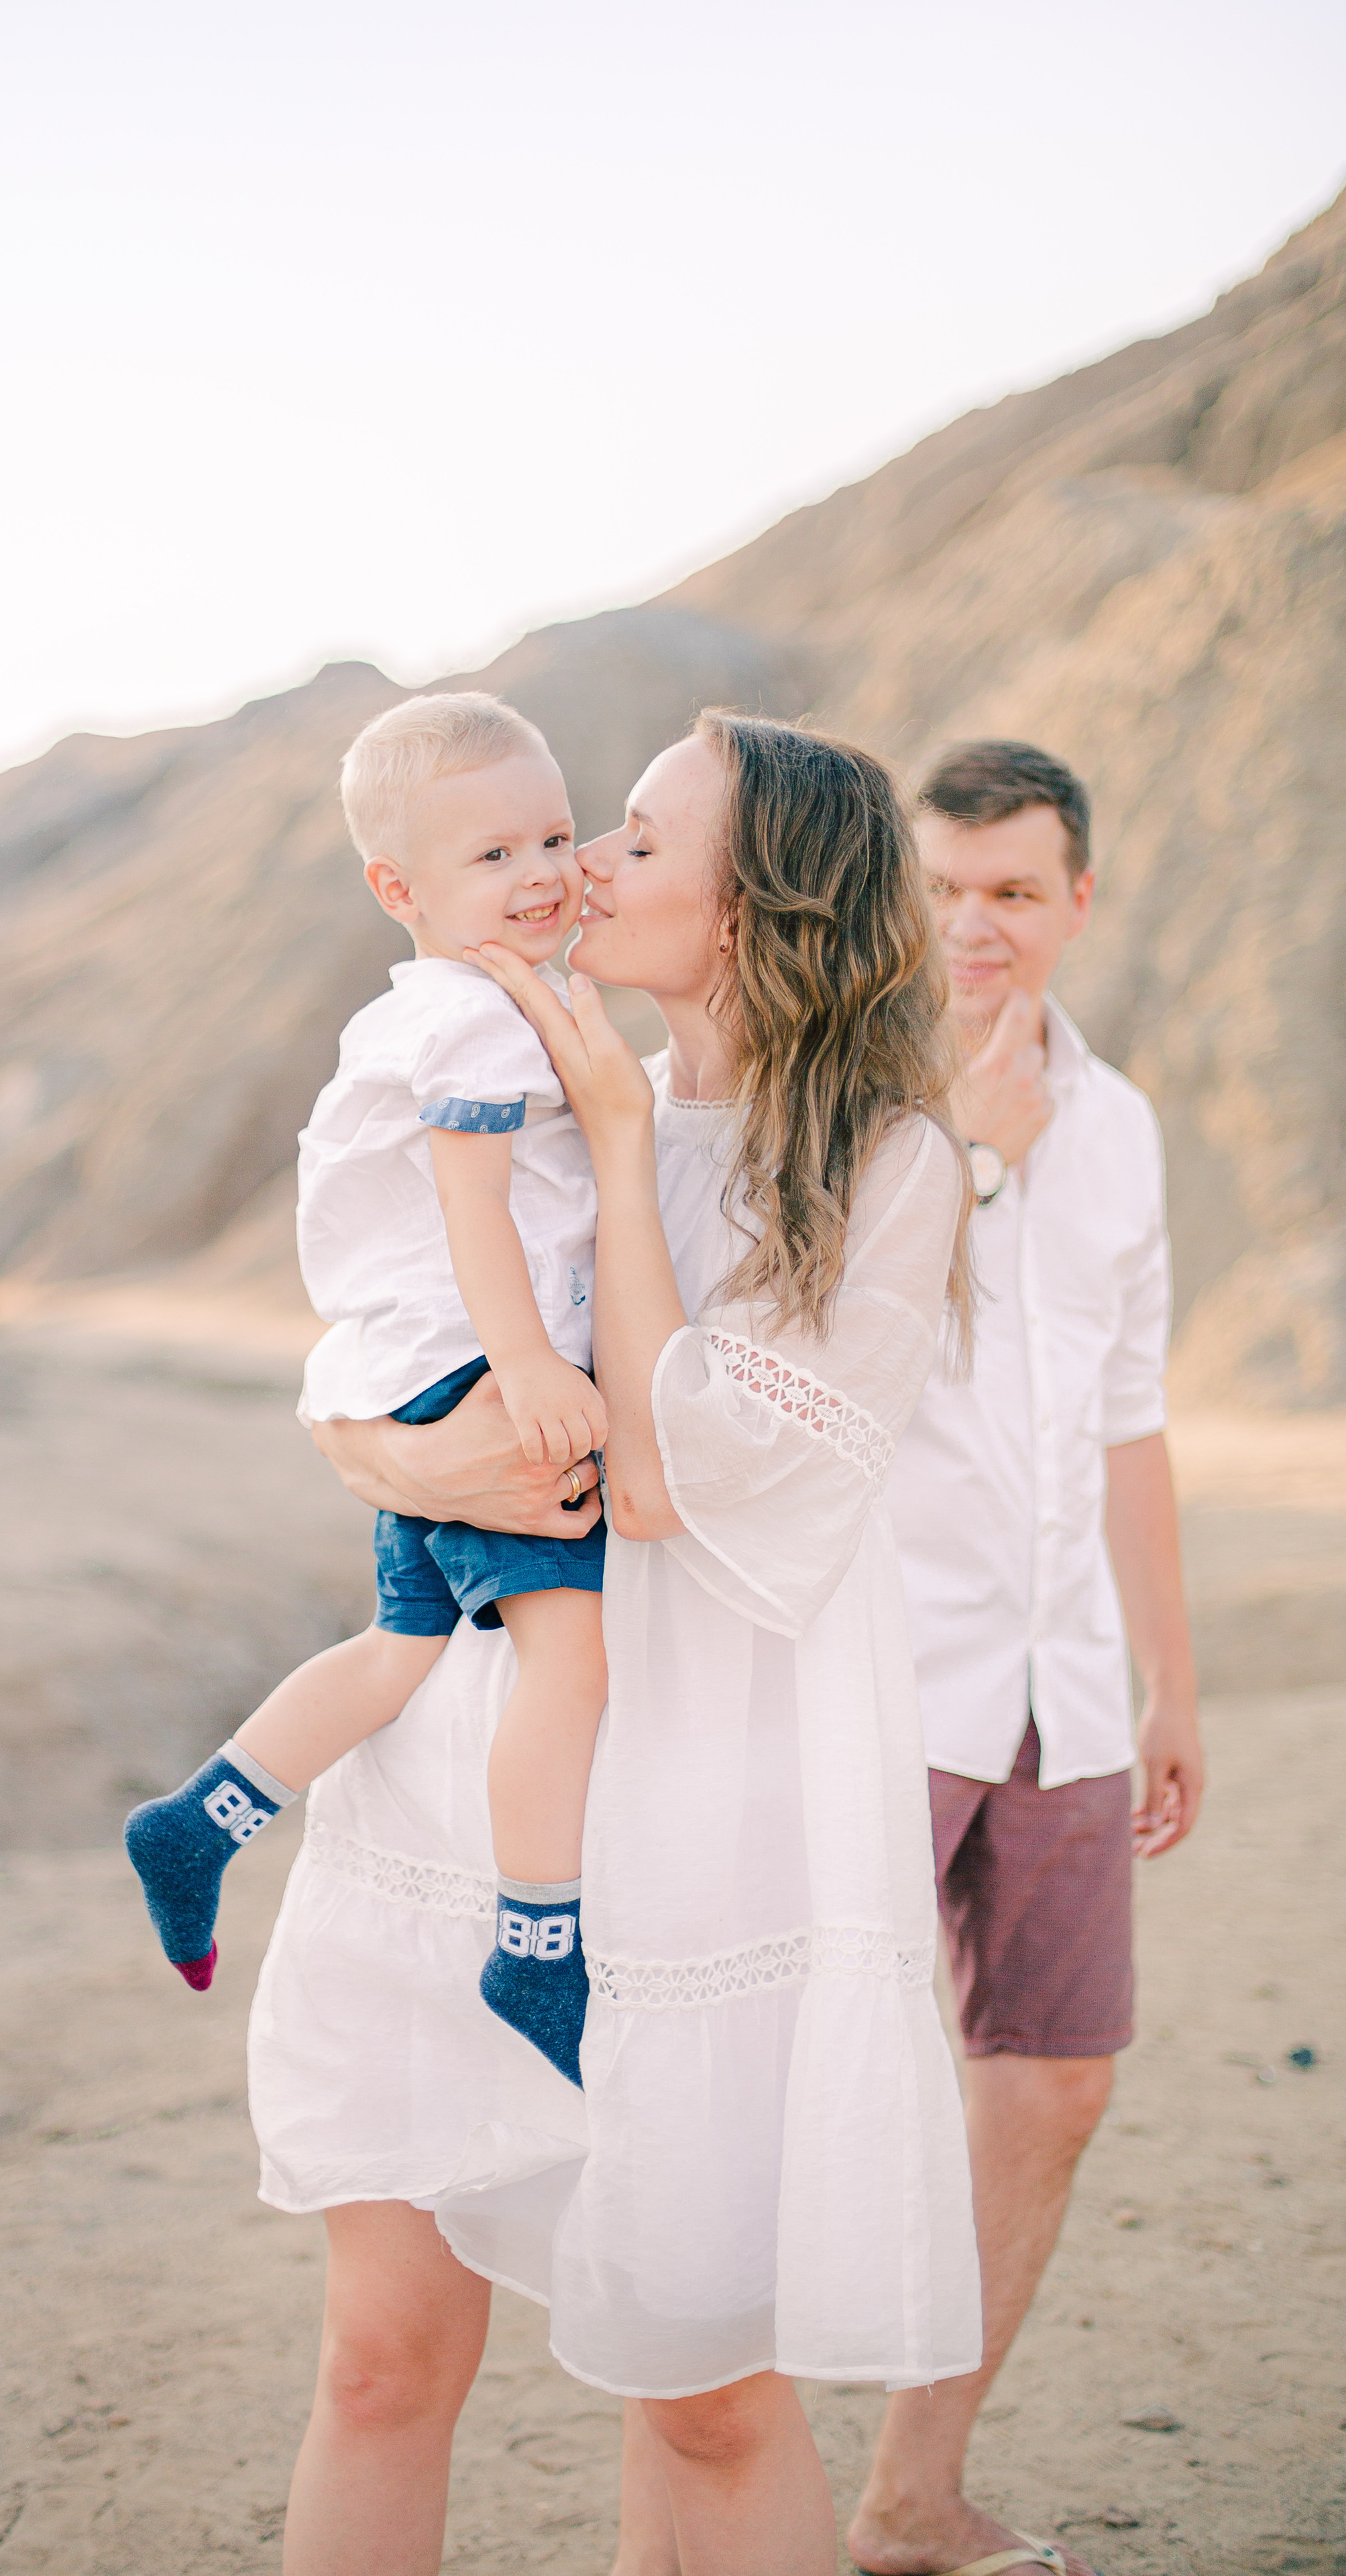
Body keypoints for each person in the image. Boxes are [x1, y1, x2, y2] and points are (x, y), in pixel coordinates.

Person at [249, 714, 985, 2576]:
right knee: (379, 2363)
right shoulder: (523, 1084)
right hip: (467, 1780)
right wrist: (392, 1443)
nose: (580, 870)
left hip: (705, 1829)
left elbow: (658, 1479)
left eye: (635, 841)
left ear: (755, 909)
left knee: (707, 2402)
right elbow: (361, 1374)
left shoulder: (882, 1169)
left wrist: (623, 1143)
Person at [125, 692, 610, 2080]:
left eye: (552, 838)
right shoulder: (476, 1022)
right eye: (490, 858)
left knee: (401, 1652)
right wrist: (525, 1366)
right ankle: (538, 1951)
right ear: (397, 889)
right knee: (568, 1668)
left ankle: (204, 1816)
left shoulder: (430, 1008)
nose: (537, 876)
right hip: (478, 1361)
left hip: (407, 1368)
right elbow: (475, 1206)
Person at [846, 741, 1207, 2576]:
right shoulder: (842, 1097)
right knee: (809, 2088)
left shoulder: (1127, 1124)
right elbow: (815, 1372)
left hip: (1066, 1681)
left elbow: (1128, 1416)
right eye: (944, 886)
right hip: (880, 1675)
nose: (974, 923)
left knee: (1056, 2077)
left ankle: (914, 2495)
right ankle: (697, 2520)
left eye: (1013, 888)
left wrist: (1171, 1680)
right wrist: (970, 1166)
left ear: (1079, 901)